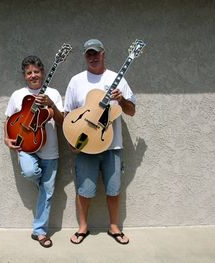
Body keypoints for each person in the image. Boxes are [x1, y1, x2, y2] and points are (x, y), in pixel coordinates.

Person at [64, 39, 136, 245]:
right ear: (85, 56)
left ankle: (114, 227)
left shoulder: (117, 79)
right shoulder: (76, 80)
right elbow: (68, 113)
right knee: (84, 191)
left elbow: (131, 111)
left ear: (104, 54)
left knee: (113, 189)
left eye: (96, 53)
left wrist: (121, 100)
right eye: (89, 54)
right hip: (86, 146)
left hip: (112, 145)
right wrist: (71, 138)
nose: (93, 57)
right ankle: (82, 228)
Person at [4, 55, 64, 248]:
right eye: (29, 72)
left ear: (43, 73)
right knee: (31, 173)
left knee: (47, 193)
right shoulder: (17, 95)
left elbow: (62, 121)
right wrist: (6, 138)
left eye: (36, 72)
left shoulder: (53, 93)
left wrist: (50, 105)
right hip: (25, 145)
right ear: (24, 75)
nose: (33, 75)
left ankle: (39, 231)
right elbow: (8, 119)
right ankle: (44, 188)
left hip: (49, 148)